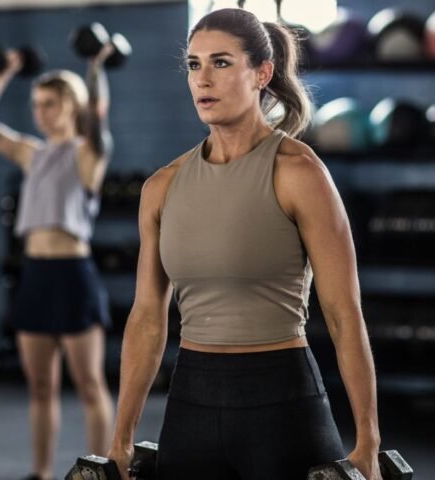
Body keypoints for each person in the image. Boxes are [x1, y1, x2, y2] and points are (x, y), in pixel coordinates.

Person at [107, 8, 382, 480]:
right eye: (194, 65)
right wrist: (121, 439)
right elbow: (148, 320)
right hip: (191, 403)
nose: (203, 79)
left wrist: (369, 441)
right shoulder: (162, 187)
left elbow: (343, 313)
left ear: (262, 74)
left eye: (221, 62)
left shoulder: (300, 173)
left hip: (281, 404)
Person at [0, 45, 116, 480]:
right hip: (36, 274)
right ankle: (41, 473)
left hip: (73, 274)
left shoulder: (88, 155)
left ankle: (100, 471)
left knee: (89, 385)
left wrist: (94, 68)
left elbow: (100, 125)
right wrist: (3, 73)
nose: (41, 113)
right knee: (40, 387)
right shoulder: (32, 153)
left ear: (72, 106)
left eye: (50, 104)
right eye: (36, 105)